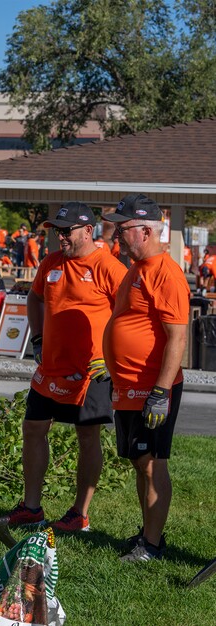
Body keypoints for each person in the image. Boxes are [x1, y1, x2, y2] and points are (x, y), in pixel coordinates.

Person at [1, 202, 127, 533]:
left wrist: (114, 358)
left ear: (88, 230)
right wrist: (38, 339)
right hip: (51, 368)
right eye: (57, 231)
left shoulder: (108, 267)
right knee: (32, 428)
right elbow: (35, 298)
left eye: (66, 231)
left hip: (91, 372)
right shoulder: (51, 263)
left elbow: (129, 315)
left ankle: (79, 514)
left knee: (87, 436)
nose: (60, 238)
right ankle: (32, 508)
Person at [102, 193, 190, 562]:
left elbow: (178, 338)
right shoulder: (138, 268)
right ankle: (147, 533)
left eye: (122, 229)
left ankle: (151, 546)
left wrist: (159, 391)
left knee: (152, 463)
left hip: (151, 387)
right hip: (129, 385)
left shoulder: (166, 273)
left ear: (145, 231)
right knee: (140, 462)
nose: (117, 235)